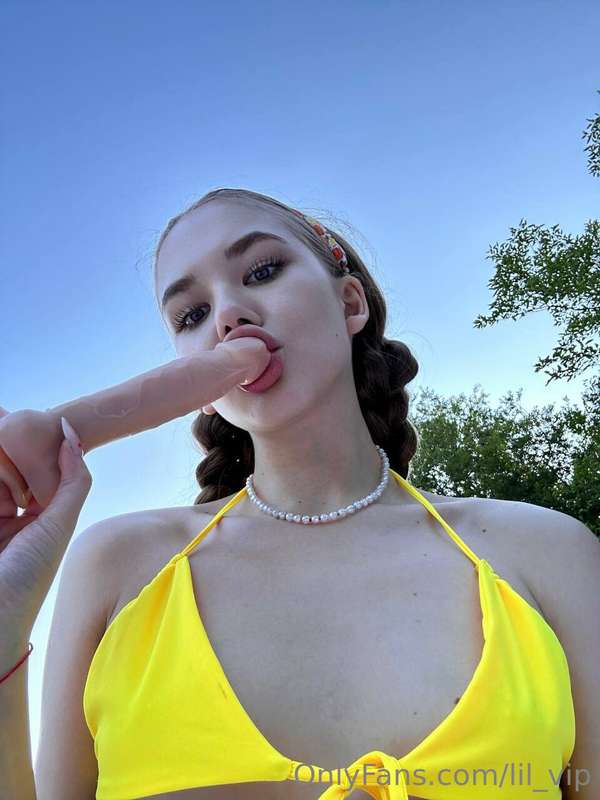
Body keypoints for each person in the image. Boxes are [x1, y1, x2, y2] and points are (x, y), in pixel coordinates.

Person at [1, 188, 598, 799]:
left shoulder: (548, 553)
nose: (228, 316)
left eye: (262, 271)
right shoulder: (116, 564)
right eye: (191, 315)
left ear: (349, 303)